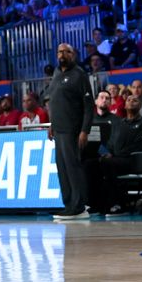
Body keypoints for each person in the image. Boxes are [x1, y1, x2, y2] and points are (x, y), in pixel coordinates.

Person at [86, 95, 142, 215]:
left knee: (108, 164)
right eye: (128, 100)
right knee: (90, 164)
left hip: (133, 160)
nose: (131, 101)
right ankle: (95, 203)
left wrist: (115, 155)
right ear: (125, 105)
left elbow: (140, 146)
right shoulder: (118, 124)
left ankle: (120, 203)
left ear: (140, 105)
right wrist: (107, 153)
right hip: (116, 160)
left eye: (135, 100)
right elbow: (111, 143)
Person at [47, 43, 92, 220]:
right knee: (62, 168)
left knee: (73, 167)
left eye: (66, 51)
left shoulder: (79, 75)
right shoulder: (57, 73)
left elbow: (89, 106)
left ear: (73, 54)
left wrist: (84, 130)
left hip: (72, 129)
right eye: (59, 51)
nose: (62, 54)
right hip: (58, 129)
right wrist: (52, 124)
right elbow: (56, 101)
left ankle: (79, 206)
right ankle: (68, 204)